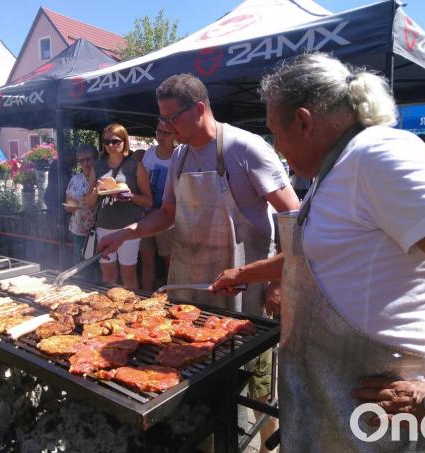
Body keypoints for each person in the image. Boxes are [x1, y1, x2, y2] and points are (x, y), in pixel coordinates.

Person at [210, 52, 425, 451]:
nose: (276, 145)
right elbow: (316, 255)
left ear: (304, 121)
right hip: (329, 403)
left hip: (380, 410)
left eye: (276, 132)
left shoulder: (382, 156)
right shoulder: (334, 169)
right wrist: (243, 274)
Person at [97, 74, 300, 449]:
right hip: (191, 290)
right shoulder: (179, 156)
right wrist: (126, 232)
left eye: (172, 119)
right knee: (199, 386)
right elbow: (167, 215)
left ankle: (268, 443)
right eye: (164, 121)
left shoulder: (245, 147)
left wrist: (279, 280)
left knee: (253, 385)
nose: (167, 127)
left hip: (244, 293)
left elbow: (292, 215)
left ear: (200, 109)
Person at [84, 123, 152, 289]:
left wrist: (130, 196)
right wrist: (96, 190)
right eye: (106, 142)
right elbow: (89, 203)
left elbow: (149, 201)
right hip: (104, 227)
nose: (111, 145)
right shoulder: (98, 166)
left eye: (115, 141)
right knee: (108, 277)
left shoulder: (135, 166)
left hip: (128, 230)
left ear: (124, 141)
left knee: (128, 277)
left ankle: (132, 312)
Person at [139, 126, 177, 291]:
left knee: (169, 261)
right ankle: (146, 297)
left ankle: (172, 298)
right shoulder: (149, 154)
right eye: (159, 131)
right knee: (147, 260)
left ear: (175, 134)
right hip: (146, 216)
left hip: (167, 218)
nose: (161, 136)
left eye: (166, 132)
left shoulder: (179, 156)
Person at [64, 144, 99, 276]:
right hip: (79, 230)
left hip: (98, 231)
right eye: (82, 160)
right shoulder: (75, 179)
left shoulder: (102, 178)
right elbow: (68, 202)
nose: (86, 163)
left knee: (98, 267)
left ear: (95, 159)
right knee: (81, 267)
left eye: (89, 159)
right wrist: (71, 205)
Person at [44, 147, 76, 215]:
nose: (74, 162)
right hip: (54, 200)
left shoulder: (63, 165)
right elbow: (63, 185)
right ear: (68, 156)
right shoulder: (58, 165)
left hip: (55, 199)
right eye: (73, 160)